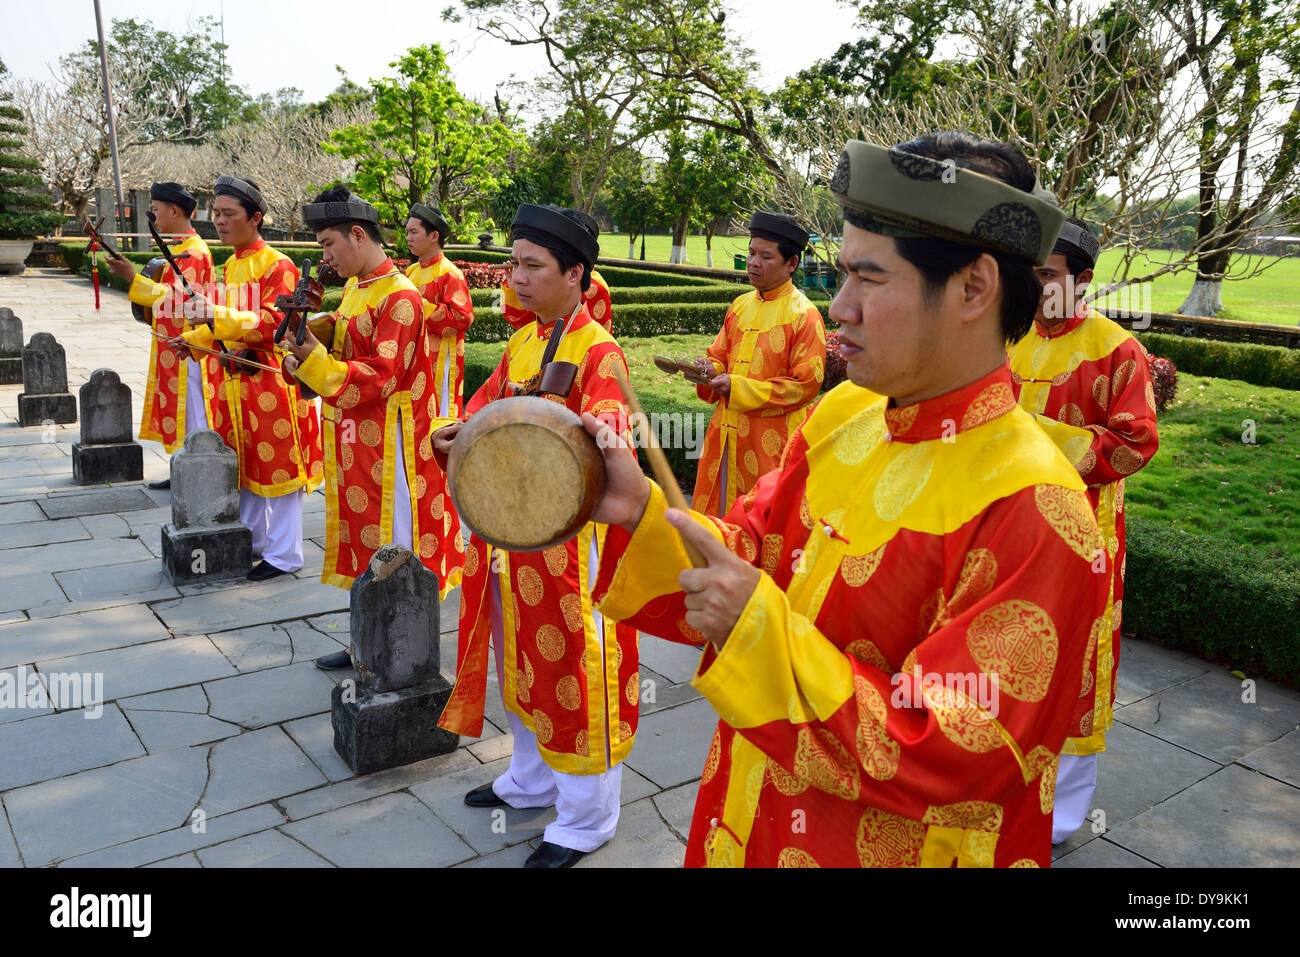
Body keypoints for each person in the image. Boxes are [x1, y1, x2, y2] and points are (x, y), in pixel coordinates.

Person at [583, 132, 1109, 867]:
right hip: (748, 817)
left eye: (869, 278)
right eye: (840, 277)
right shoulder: (845, 417)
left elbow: (959, 755)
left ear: (974, 288)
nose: (842, 309)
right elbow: (747, 551)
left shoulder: (1038, 509)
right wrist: (639, 508)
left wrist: (758, 632)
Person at [430, 204, 637, 868]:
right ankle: (530, 779)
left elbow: (608, 429)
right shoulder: (527, 341)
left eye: (531, 266)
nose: (514, 277)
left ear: (575, 273)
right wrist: (453, 431)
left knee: (577, 672)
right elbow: (482, 404)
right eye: (512, 263)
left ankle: (585, 818)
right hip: (512, 540)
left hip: (571, 549)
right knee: (522, 664)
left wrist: (593, 426)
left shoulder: (597, 348)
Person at [1007, 214, 1159, 844]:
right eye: (1030, 273)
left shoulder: (1117, 349)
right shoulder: (1007, 339)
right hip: (1009, 528)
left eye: (1047, 274)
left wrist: (1037, 436)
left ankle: (1062, 816)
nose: (1035, 285)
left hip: (1082, 534)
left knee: (1073, 662)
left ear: (1083, 279)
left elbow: (1135, 445)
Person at [178, 175, 323, 580]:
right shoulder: (232, 263)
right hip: (236, 382)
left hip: (272, 383)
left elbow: (278, 322)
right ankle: (256, 542)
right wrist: (192, 340)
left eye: (228, 214)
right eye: (216, 214)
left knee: (281, 467)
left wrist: (216, 316)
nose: (219, 222)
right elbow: (223, 323)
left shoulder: (278, 265)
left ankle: (285, 553)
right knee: (246, 466)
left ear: (255, 218)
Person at [689, 211, 826, 516]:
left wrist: (737, 387)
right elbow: (720, 357)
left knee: (762, 520)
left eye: (765, 256)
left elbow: (804, 386)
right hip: (725, 434)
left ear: (792, 264)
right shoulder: (740, 306)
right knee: (719, 519)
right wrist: (709, 370)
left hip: (770, 444)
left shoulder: (805, 315)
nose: (753, 263)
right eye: (751, 253)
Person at [107, 182, 214, 490]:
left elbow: (179, 299)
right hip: (172, 342)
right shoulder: (179, 249)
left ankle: (201, 472)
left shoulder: (192, 252)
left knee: (193, 409)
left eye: (155, 210)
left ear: (174, 210)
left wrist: (131, 277)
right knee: (180, 409)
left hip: (189, 345)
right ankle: (184, 466)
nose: (153, 217)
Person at [403, 203, 471, 597]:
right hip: (414, 368)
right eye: (407, 231)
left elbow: (461, 318)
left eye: (415, 231)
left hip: (441, 372)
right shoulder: (411, 273)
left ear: (435, 236)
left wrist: (417, 309)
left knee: (437, 446)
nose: (409, 237)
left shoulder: (450, 274)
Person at [501, 210, 614, 333]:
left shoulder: (595, 286)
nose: (518, 278)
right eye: (516, 263)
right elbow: (525, 319)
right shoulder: (518, 343)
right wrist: (512, 285)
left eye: (533, 265)